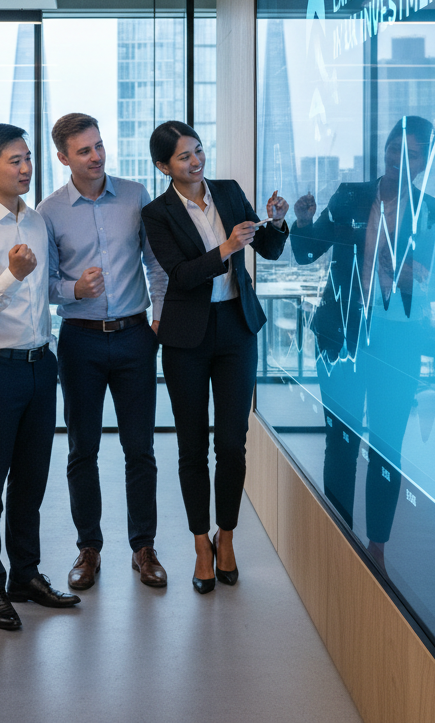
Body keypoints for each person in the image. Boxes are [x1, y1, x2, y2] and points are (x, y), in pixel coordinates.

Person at [290, 116, 435, 572]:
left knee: (386, 447)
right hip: (341, 337)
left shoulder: (430, 209)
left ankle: (377, 547)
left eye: (411, 153)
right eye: (395, 147)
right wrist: (301, 221)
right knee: (340, 441)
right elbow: (305, 253)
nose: (399, 158)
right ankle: (337, 536)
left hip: (396, 340)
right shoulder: (350, 194)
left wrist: (418, 277)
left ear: (424, 161)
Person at [141, 120, 288, 592]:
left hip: (236, 329)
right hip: (186, 337)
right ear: (164, 166)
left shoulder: (227, 191)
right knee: (191, 447)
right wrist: (226, 248)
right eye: (184, 157)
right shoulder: (156, 213)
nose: (196, 161)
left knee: (231, 443)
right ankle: (201, 543)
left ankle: (227, 536)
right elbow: (180, 275)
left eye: (199, 151)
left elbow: (265, 249)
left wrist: (277, 221)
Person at [0, 123, 80, 629]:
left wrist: (76, 291)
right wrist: (11, 276)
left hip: (40, 364)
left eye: (28, 159)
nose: (26, 168)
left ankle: (25, 575)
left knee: (31, 481)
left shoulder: (37, 222)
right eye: (15, 161)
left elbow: (45, 292)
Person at [38, 112, 169, 590]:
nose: (96, 157)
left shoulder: (135, 195)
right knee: (82, 449)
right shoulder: (49, 211)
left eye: (98, 146)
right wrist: (75, 287)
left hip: (136, 335)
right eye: (83, 151)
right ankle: (88, 548)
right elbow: (45, 285)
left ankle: (144, 547)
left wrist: (158, 319)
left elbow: (157, 264)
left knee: (141, 448)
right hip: (80, 339)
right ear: (63, 158)